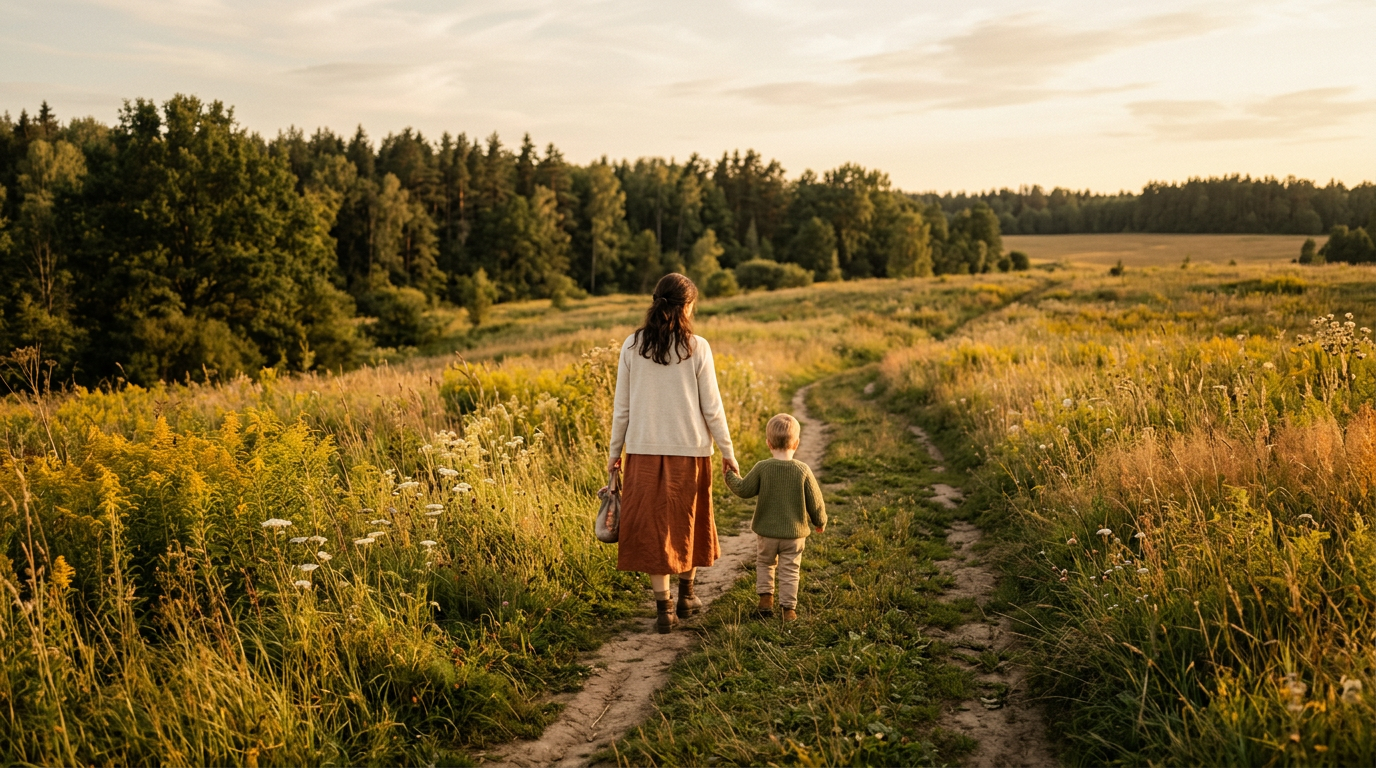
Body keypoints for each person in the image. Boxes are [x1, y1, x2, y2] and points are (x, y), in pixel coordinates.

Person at [608, 273, 737, 634]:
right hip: (690, 452)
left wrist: (614, 455)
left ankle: (665, 609)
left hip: (643, 452)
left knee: (653, 527)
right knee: (686, 523)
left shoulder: (632, 346)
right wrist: (728, 452)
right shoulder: (698, 347)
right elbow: (712, 409)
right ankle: (687, 595)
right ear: (687, 307)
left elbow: (622, 408)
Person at [723, 413, 826, 622]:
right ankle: (789, 611)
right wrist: (820, 521)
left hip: (767, 532)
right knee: (790, 569)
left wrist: (729, 475)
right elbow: (816, 501)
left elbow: (744, 489)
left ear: (768, 443)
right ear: (796, 443)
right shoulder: (802, 470)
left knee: (765, 563)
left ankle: (765, 601)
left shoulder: (763, 467)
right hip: (794, 535)